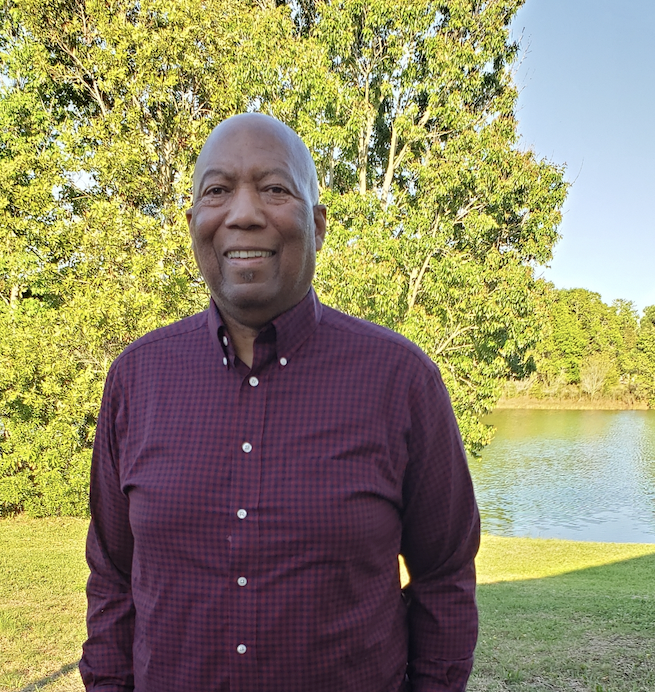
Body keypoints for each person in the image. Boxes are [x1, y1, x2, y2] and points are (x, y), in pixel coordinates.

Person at [80, 113, 480, 692]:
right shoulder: (135, 381)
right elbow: (113, 578)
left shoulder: (402, 382)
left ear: (317, 225)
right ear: (194, 222)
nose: (243, 213)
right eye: (217, 191)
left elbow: (444, 578)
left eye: (274, 189)